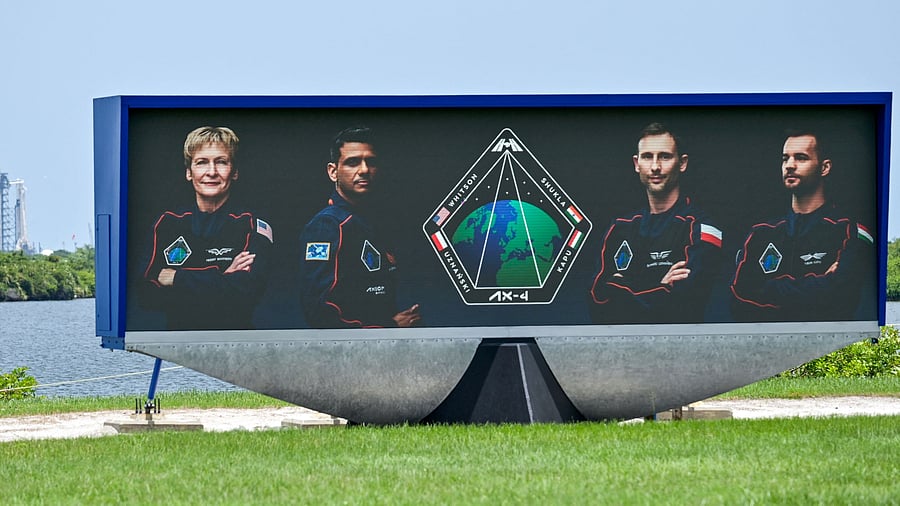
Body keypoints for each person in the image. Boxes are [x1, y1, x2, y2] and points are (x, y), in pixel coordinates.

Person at [730, 130, 874, 321]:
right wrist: (821, 284)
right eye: (785, 158)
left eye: (801, 158)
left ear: (824, 167)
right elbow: (737, 299)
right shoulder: (761, 233)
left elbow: (841, 297)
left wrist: (767, 288)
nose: (789, 165)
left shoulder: (849, 231)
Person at [139, 126, 274, 330]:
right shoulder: (167, 224)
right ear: (188, 172)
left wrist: (175, 277)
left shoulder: (252, 225)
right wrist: (223, 277)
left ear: (234, 172)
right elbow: (146, 296)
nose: (211, 172)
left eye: (221, 162)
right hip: (176, 343)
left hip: (235, 344)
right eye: (202, 163)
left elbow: (245, 294)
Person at [589, 123, 723, 323]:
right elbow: (597, 301)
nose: (655, 167)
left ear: (682, 163)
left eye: (665, 156)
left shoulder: (702, 227)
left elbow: (684, 303)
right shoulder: (619, 228)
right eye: (647, 157)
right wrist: (660, 285)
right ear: (636, 163)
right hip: (623, 351)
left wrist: (622, 285)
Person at [298, 126, 421, 328]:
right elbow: (319, 311)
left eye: (370, 162)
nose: (364, 170)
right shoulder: (327, 226)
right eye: (352, 162)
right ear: (333, 172)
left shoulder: (374, 223)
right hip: (350, 353)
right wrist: (389, 327)